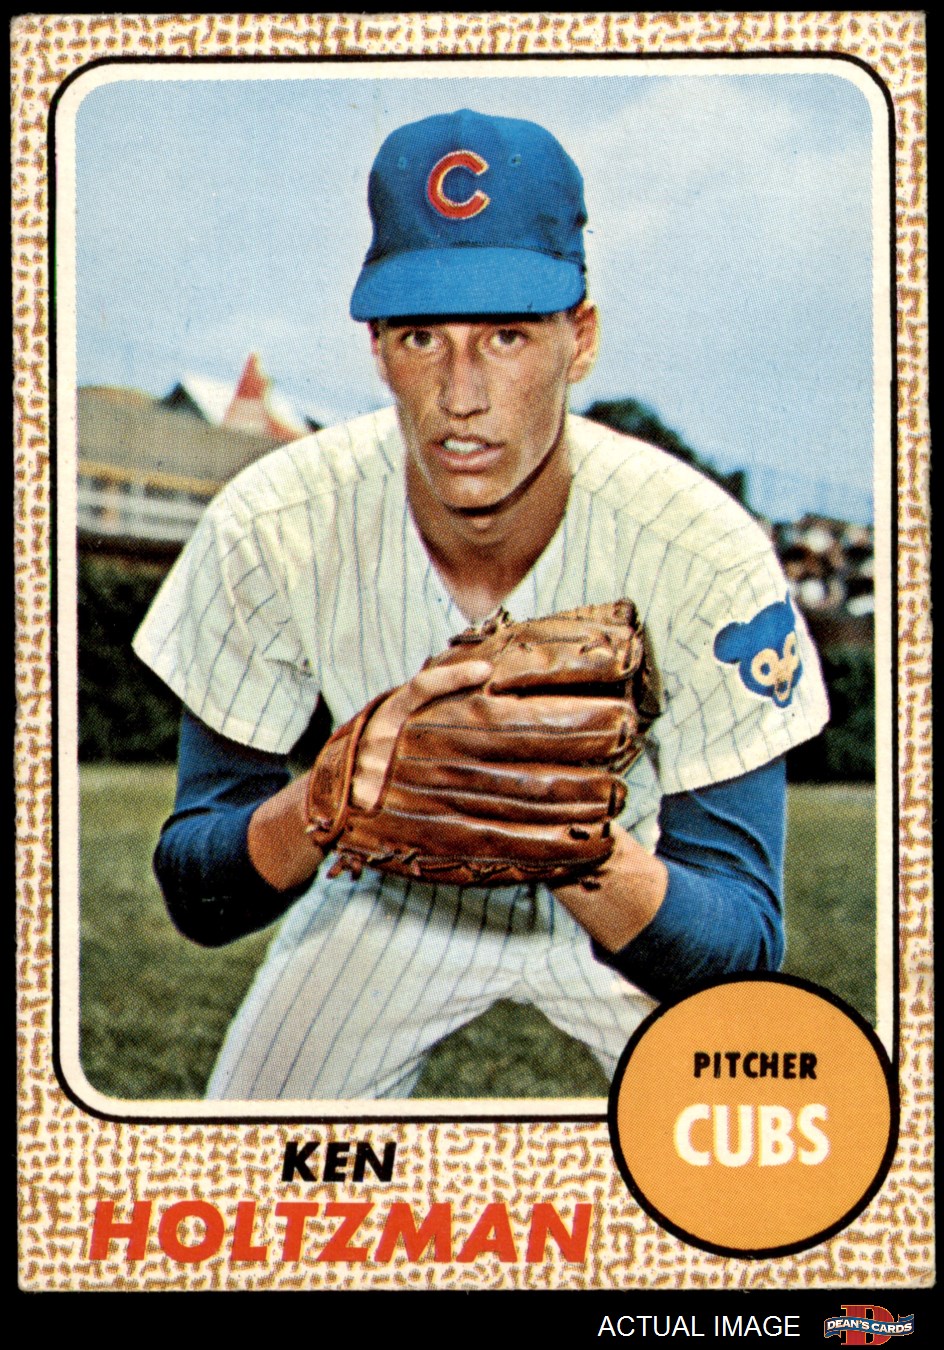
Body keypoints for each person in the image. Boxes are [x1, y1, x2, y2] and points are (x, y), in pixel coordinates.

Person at [133, 109, 829, 1101]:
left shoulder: (700, 547)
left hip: (631, 893)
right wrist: (326, 799)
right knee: (251, 1153)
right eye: (423, 335)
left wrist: (567, 840)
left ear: (578, 339)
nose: (461, 393)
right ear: (377, 348)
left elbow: (743, 948)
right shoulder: (272, 521)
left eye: (507, 334)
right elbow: (198, 896)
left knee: (755, 1149)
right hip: (386, 895)